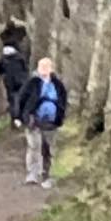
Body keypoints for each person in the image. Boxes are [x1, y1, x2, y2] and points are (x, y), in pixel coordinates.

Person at [17, 58, 68, 188]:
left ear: (52, 68)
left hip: (51, 121)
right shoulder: (32, 83)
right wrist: (18, 116)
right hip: (33, 120)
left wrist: (60, 116)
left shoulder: (58, 84)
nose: (44, 69)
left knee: (49, 149)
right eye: (41, 66)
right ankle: (33, 174)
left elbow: (63, 101)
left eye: (47, 66)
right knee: (34, 146)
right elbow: (21, 99)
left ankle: (47, 175)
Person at [0, 43, 30, 122]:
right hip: (21, 80)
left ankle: (14, 117)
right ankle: (21, 116)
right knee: (20, 97)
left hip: (9, 82)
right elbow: (26, 69)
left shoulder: (2, 59)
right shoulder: (20, 57)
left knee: (12, 99)